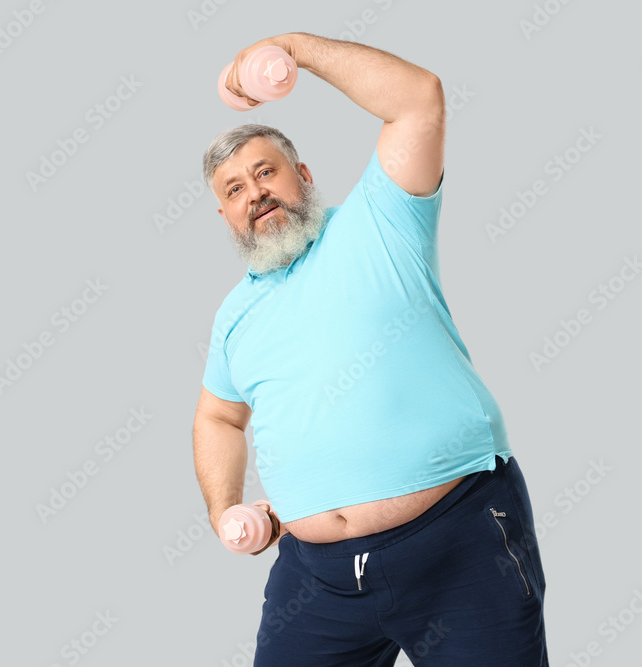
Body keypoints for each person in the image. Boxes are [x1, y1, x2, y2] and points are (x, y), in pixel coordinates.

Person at [193, 32, 548, 665]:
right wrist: (226, 511)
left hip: (459, 547)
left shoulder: (380, 221)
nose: (256, 193)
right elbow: (218, 415)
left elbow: (419, 100)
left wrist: (291, 49)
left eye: (265, 171)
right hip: (317, 581)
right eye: (235, 189)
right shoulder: (235, 316)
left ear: (302, 176)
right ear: (225, 217)